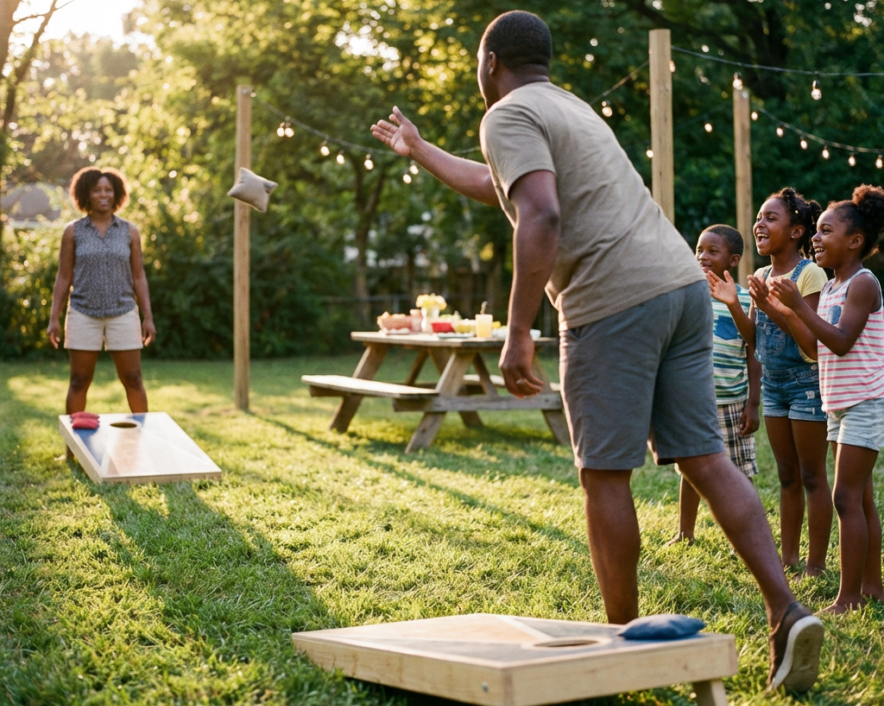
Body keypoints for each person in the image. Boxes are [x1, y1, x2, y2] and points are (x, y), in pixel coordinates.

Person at [371, 10, 822, 691]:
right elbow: (501, 187)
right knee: (704, 456)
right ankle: (785, 609)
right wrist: (422, 149)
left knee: (604, 475)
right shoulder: (569, 107)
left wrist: (520, 329)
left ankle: (621, 653)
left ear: (489, 61)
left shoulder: (508, 115)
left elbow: (541, 214)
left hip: (613, 301)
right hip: (677, 286)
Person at [760, 184, 884, 613]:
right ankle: (873, 587)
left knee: (845, 497)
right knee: (860, 497)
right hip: (838, 403)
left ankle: (848, 598)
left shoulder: (863, 285)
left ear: (855, 241)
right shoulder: (832, 286)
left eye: (825, 230)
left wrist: (800, 307)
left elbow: (844, 342)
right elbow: (813, 349)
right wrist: (782, 309)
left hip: (866, 401)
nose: (816, 236)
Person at [745, 189, 833, 577]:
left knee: (812, 475)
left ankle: (815, 564)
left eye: (770, 218)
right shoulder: (762, 274)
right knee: (786, 475)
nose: (760, 224)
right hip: (774, 386)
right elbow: (754, 338)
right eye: (759, 218)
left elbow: (809, 342)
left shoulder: (810, 274)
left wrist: (770, 306)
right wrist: (736, 302)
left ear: (797, 231)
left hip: (806, 385)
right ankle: (789, 557)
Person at [667, 225, 761, 545]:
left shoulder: (746, 299)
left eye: (712, 251)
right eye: (699, 250)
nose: (702, 257)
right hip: (693, 400)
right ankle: (685, 532)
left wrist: (752, 403)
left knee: (739, 473)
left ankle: (747, 538)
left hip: (731, 400)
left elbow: (753, 353)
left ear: (732, 260)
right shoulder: (685, 293)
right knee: (690, 468)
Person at [47, 167, 155, 418]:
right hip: (83, 313)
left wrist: (147, 317)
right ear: (86, 194)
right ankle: (71, 451)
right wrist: (54, 318)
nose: (103, 194)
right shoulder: (73, 231)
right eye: (97, 190)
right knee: (78, 382)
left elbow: (139, 276)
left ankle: (145, 443)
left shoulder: (130, 231)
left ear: (116, 194)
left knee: (133, 378)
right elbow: (64, 277)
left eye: (108, 189)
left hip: (123, 313)